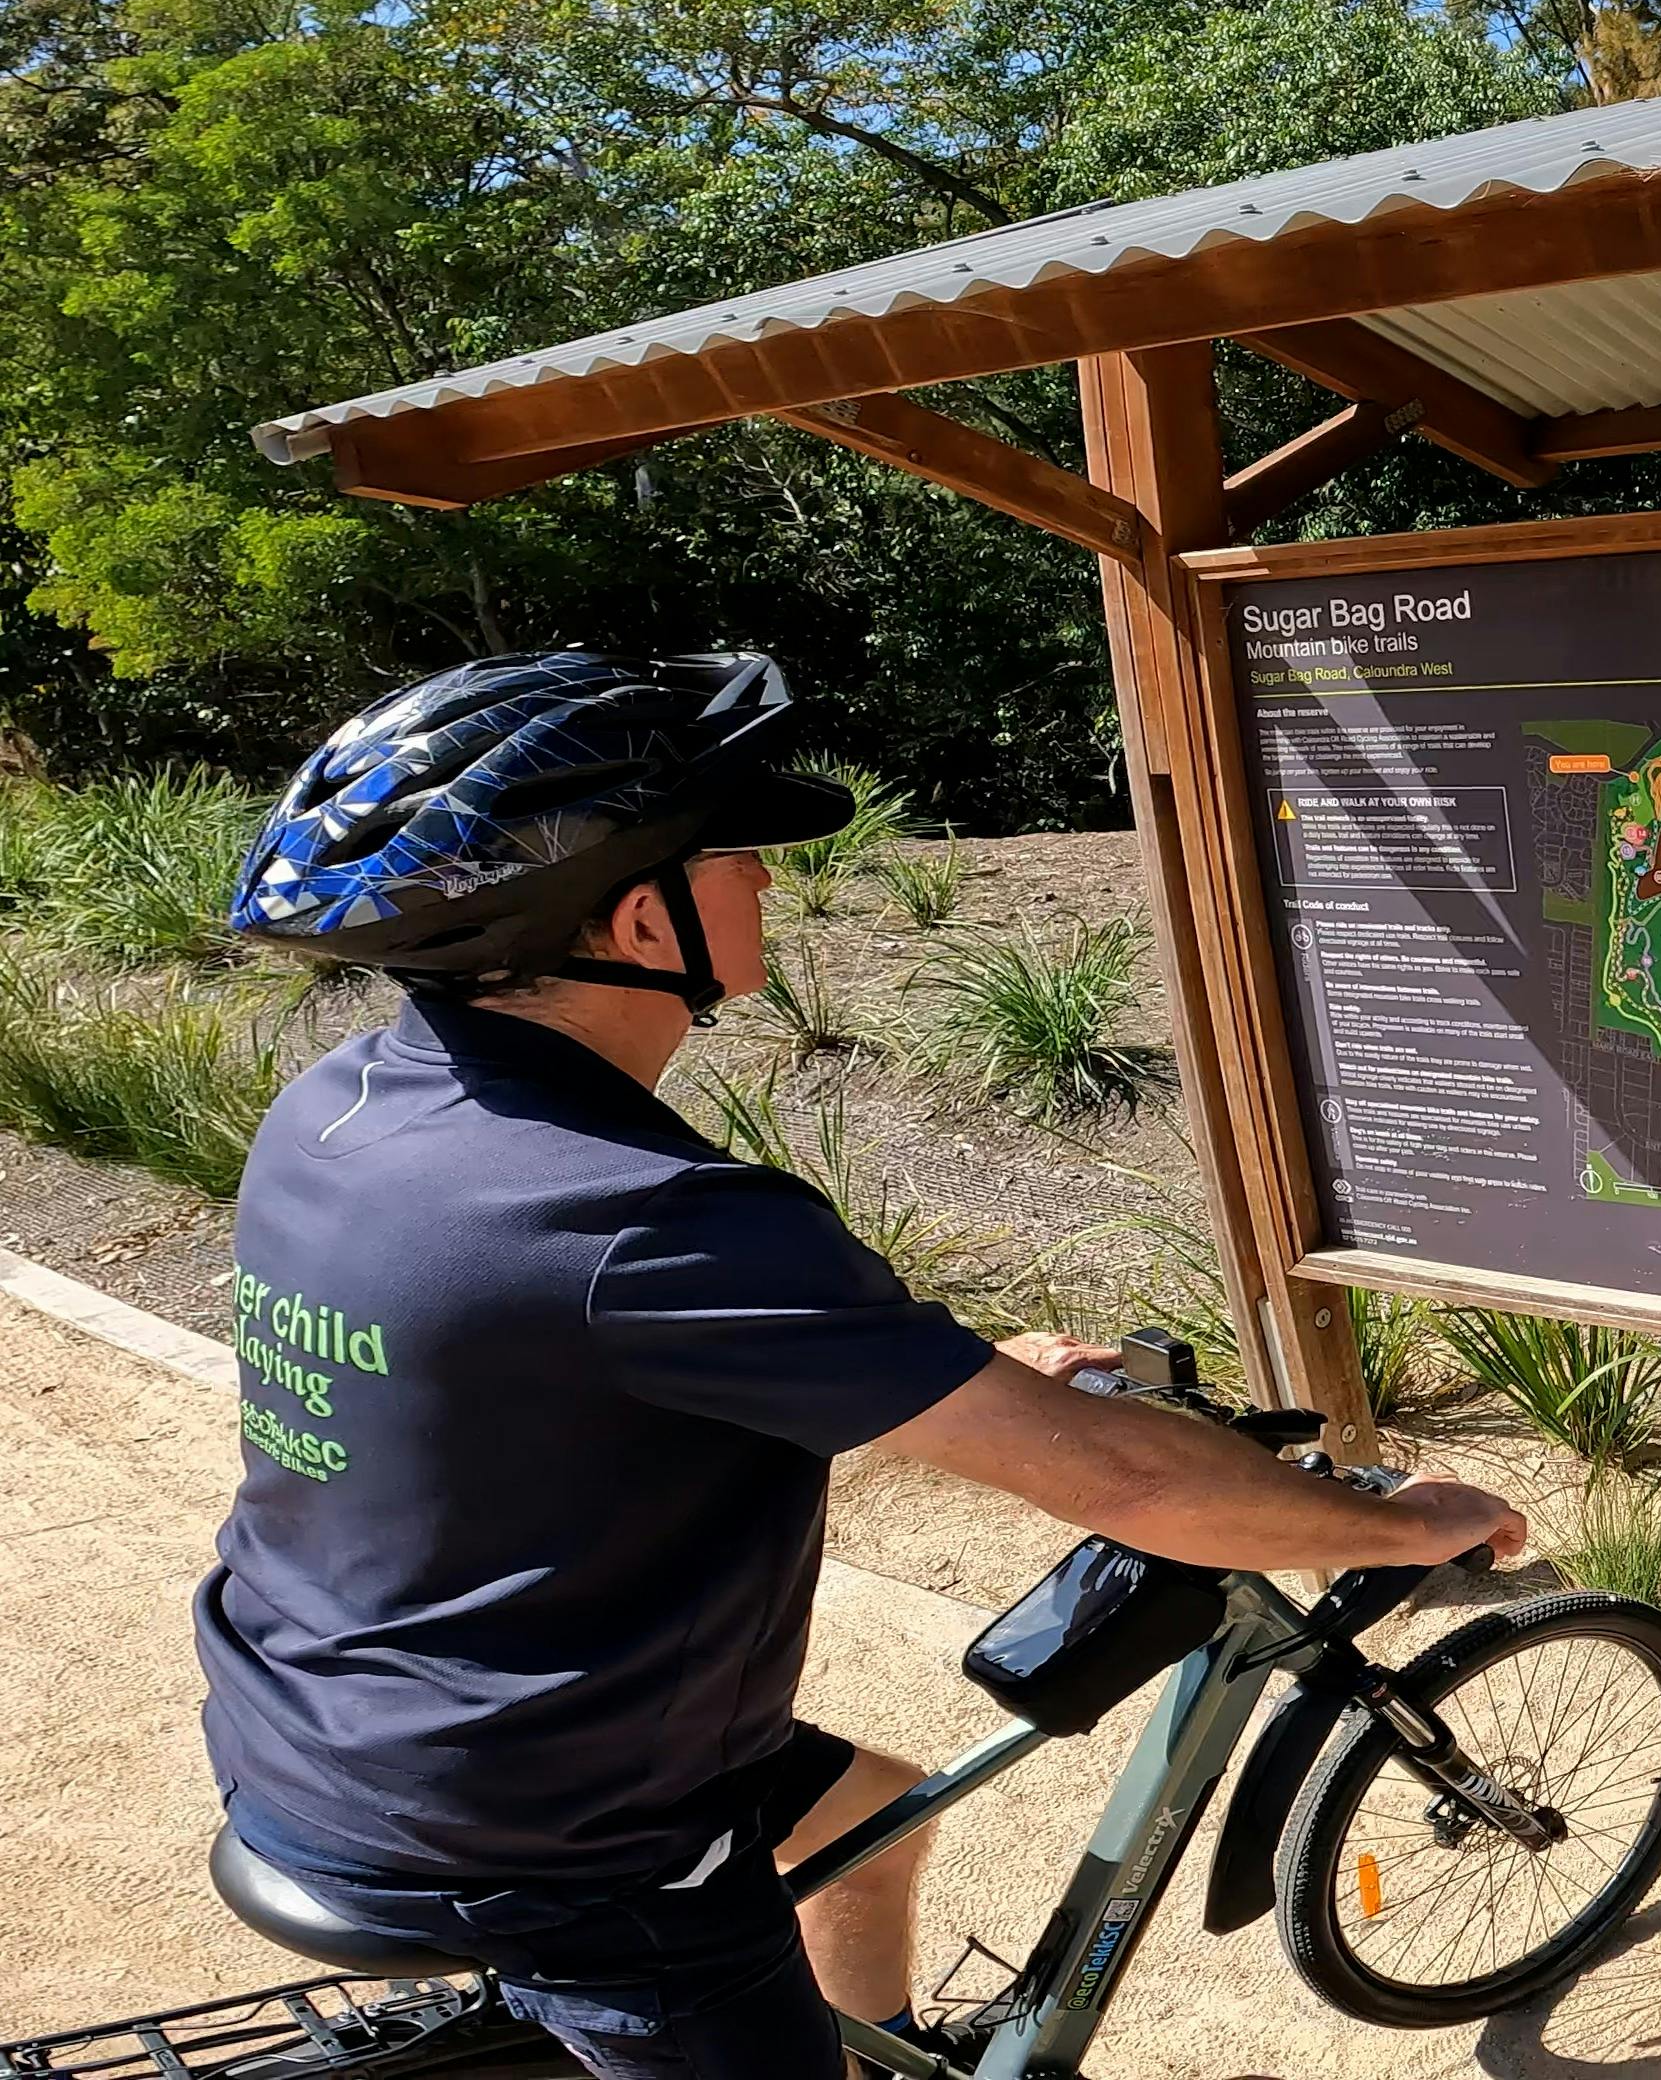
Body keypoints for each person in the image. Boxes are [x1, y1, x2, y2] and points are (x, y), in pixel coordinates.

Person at [198, 651, 1525, 2080]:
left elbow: (542, 1379)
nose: (767, 883)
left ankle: (881, 2048)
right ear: (644, 919)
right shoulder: (651, 1220)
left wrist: (943, 1368)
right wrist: (1404, 1525)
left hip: (321, 1715)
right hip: (560, 1832)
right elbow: (1143, 1482)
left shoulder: (344, 1110)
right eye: (738, 855)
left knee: (864, 1816)